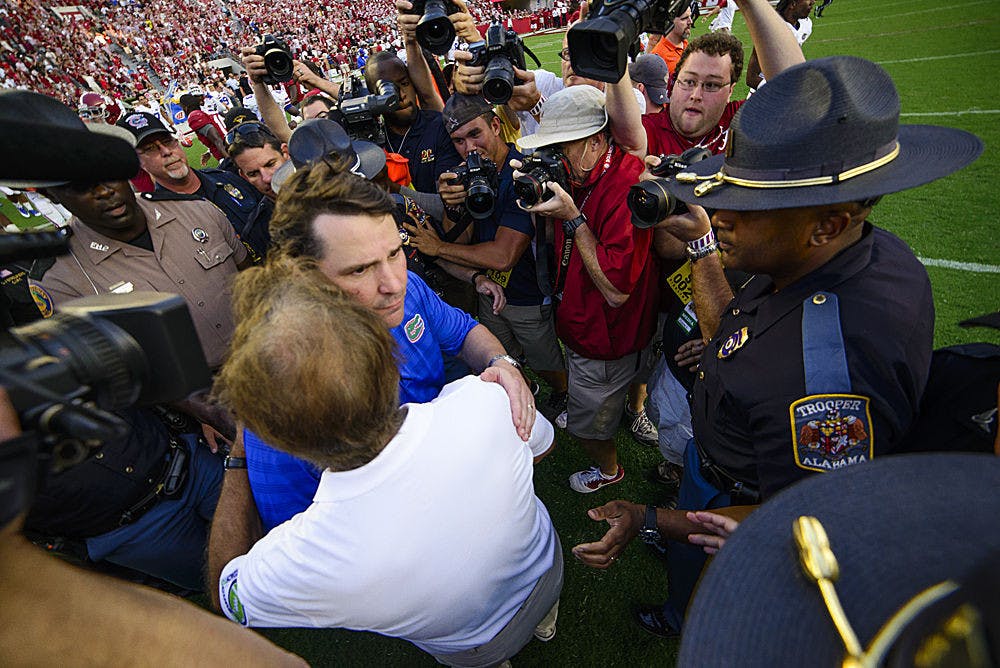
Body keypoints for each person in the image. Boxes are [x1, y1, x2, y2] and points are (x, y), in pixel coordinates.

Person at [572, 55, 983, 638]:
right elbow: (746, 340)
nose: (720, 213)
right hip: (718, 466)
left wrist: (649, 518)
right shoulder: (854, 254)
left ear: (827, 223)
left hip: (734, 494)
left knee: (711, 589)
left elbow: (799, 519)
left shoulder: (824, 378)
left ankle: (682, 616)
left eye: (754, 202)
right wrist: (713, 316)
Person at [208, 258, 561, 666]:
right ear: (384, 359)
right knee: (542, 614)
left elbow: (224, 593)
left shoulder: (311, 550)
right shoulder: (487, 401)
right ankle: (545, 626)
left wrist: (239, 450)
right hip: (546, 568)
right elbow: (543, 446)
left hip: (472, 644)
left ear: (283, 440)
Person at [241, 163, 534, 530]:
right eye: (360, 270)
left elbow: (463, 333)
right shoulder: (284, 389)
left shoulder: (409, 287)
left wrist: (502, 361)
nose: (393, 283)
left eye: (394, 253)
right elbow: (300, 532)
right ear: (305, 277)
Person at [516, 85, 660, 493]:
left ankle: (609, 471)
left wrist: (572, 218)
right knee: (628, 383)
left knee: (586, 428)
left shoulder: (627, 186)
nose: (554, 159)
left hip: (604, 339)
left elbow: (616, 291)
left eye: (561, 147)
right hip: (598, 328)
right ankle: (633, 410)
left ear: (597, 141)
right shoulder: (582, 170)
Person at [404, 93, 569, 421]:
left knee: (544, 359)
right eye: (459, 141)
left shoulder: (521, 172)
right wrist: (452, 204)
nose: (468, 148)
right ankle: (522, 384)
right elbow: (463, 235)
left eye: (475, 134)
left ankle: (565, 394)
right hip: (489, 288)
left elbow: (504, 255)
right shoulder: (468, 173)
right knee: (502, 353)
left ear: (496, 125)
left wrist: (437, 248)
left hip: (527, 293)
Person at [640, 0, 806, 159]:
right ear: (674, 83)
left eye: (711, 85)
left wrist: (748, 2)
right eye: (689, 81)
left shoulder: (739, 122)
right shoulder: (645, 130)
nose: (696, 95)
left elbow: (795, 90)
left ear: (730, 92)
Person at [116, 111, 267, 260]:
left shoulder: (227, 177)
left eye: (167, 141)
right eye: (150, 149)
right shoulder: (160, 222)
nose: (166, 151)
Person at [226, 121, 292, 259]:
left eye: (270, 164)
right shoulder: (258, 230)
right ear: (244, 177)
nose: (267, 178)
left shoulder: (330, 187)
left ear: (285, 153)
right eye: (253, 173)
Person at [746, 0, 815, 93]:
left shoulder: (806, 25)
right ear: (793, 4)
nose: (813, 2)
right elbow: (751, 78)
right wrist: (780, 93)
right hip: (765, 96)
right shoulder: (769, 30)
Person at [179, 92, 230, 165]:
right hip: (231, 145)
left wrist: (230, 162)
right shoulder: (203, 112)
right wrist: (209, 152)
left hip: (228, 153)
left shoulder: (194, 116)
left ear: (185, 107)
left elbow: (217, 139)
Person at [645, 6, 693, 75]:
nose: (690, 22)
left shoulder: (685, 43)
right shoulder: (659, 57)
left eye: (690, 16)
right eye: (684, 18)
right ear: (669, 22)